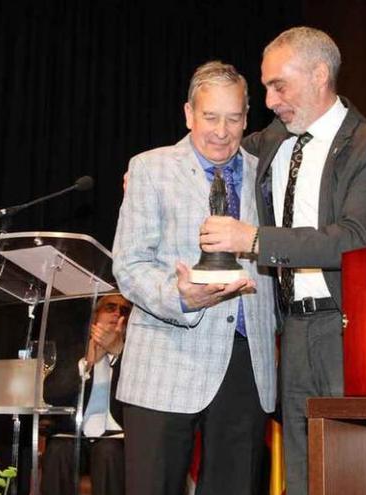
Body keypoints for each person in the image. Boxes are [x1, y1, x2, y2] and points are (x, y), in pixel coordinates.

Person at [198, 27, 366, 495]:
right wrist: (153, 169)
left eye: (279, 85)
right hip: (290, 330)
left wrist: (254, 239)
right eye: (267, 87)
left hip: (348, 331)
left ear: (319, 75)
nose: (270, 100)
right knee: (301, 465)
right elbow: (211, 147)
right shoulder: (269, 142)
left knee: (355, 464)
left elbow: (355, 238)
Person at [112, 61, 277, 495]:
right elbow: (128, 265)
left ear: (247, 117)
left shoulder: (269, 175)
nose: (222, 131)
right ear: (188, 114)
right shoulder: (149, 168)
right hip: (165, 357)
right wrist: (179, 296)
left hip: (247, 364)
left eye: (234, 117)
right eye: (210, 117)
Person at [40, 293, 132, 495]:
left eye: (124, 310)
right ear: (95, 316)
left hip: (118, 439)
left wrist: (119, 354)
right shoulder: (72, 351)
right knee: (58, 449)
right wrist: (87, 363)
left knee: (108, 452)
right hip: (75, 436)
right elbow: (51, 395)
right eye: (110, 307)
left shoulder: (134, 356)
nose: (117, 313)